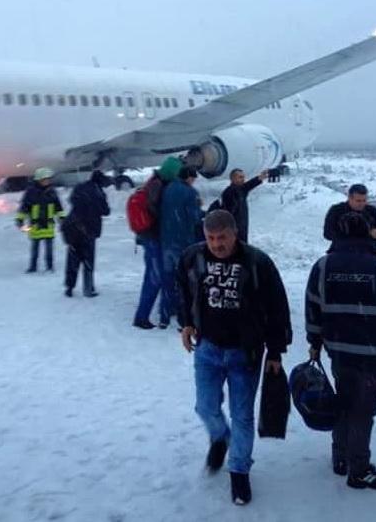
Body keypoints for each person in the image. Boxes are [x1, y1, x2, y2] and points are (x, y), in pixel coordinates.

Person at [178, 210, 291, 506]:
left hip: (246, 352)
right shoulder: (194, 258)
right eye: (211, 238)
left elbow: (277, 306)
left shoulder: (257, 262)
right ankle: (220, 437)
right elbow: (185, 291)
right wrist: (187, 322)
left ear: (234, 233)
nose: (217, 244)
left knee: (242, 416)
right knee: (205, 406)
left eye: (222, 238)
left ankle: (239, 470)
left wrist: (276, 350)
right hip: (208, 349)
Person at [306, 211, 376, 490]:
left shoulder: (323, 265)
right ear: (368, 234)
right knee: (363, 412)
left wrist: (315, 342)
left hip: (339, 350)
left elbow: (313, 307)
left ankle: (340, 457)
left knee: (344, 402)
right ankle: (359, 469)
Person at [133, 156, 182, 329]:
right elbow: (157, 211)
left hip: (153, 237)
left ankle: (168, 308)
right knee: (154, 278)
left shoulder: (156, 182)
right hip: (153, 238)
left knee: (161, 275)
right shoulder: (157, 185)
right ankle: (141, 317)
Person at [160, 166, 203, 327]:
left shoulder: (169, 188)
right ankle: (182, 319)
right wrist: (201, 211)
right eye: (193, 178)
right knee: (184, 282)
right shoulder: (189, 192)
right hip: (183, 243)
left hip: (166, 241)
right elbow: (194, 217)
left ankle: (164, 316)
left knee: (167, 279)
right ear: (189, 178)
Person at [63, 170, 111, 297]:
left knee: (73, 260)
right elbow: (106, 211)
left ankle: (69, 287)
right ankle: (88, 289)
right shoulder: (98, 193)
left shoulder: (80, 188)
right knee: (88, 261)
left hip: (73, 228)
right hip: (89, 230)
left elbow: (72, 200)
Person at [15, 168, 65, 273]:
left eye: (48, 179)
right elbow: (24, 208)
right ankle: (33, 267)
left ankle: (50, 267)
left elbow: (59, 208)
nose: (47, 181)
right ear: (39, 179)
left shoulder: (52, 192)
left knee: (49, 249)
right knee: (35, 248)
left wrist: (62, 219)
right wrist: (20, 220)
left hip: (48, 225)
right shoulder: (31, 192)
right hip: (35, 226)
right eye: (45, 179)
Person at [323, 183, 376, 258]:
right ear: (349, 198)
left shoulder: (372, 211)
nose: (362, 204)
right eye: (358, 201)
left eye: (364, 200)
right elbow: (327, 234)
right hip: (341, 251)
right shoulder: (336, 210)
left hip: (369, 252)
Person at [220, 168, 268, 243]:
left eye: (243, 177)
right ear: (233, 178)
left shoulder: (241, 189)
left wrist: (259, 178)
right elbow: (227, 214)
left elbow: (248, 185)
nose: (243, 179)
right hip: (234, 231)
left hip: (242, 229)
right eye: (240, 177)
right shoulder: (229, 193)